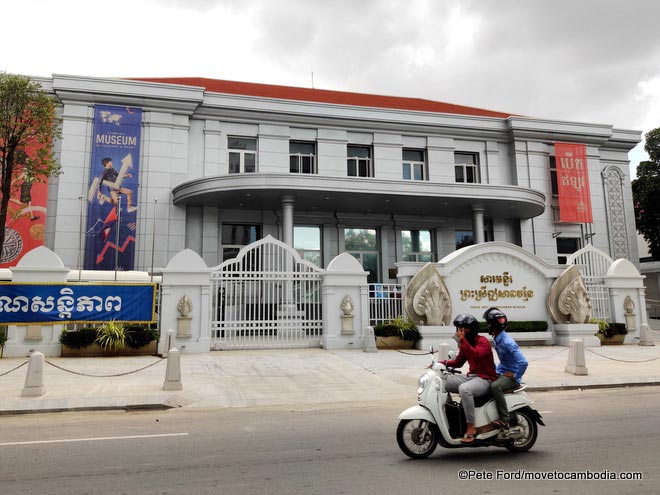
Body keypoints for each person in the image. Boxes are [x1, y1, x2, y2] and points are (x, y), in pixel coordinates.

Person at [441, 314, 497, 444]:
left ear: (471, 329)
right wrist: (442, 363)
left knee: (464, 389)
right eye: (458, 329)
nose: (459, 332)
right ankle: (452, 416)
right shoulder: (467, 343)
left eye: (462, 329)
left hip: (486, 379)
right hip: (472, 377)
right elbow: (459, 362)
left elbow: (476, 355)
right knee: (444, 383)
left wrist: (462, 341)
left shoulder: (482, 341)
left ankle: (471, 426)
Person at [484, 307, 528, 429]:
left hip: (510, 376)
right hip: (502, 371)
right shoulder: (498, 338)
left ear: (493, 325)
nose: (487, 326)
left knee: (495, 386)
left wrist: (514, 376)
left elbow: (523, 362)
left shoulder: (507, 342)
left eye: (488, 323)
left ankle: (504, 419)